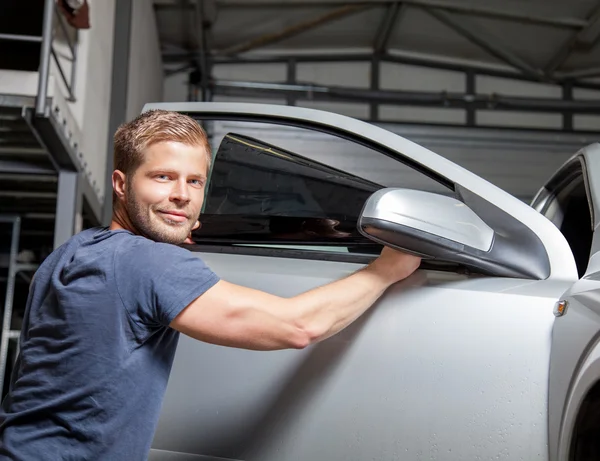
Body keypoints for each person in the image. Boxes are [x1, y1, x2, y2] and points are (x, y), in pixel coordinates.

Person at [0, 110, 421, 460]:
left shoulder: (76, 251)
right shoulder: (148, 262)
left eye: (195, 181)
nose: (182, 195)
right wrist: (386, 270)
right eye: (163, 178)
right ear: (121, 184)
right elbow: (297, 326)